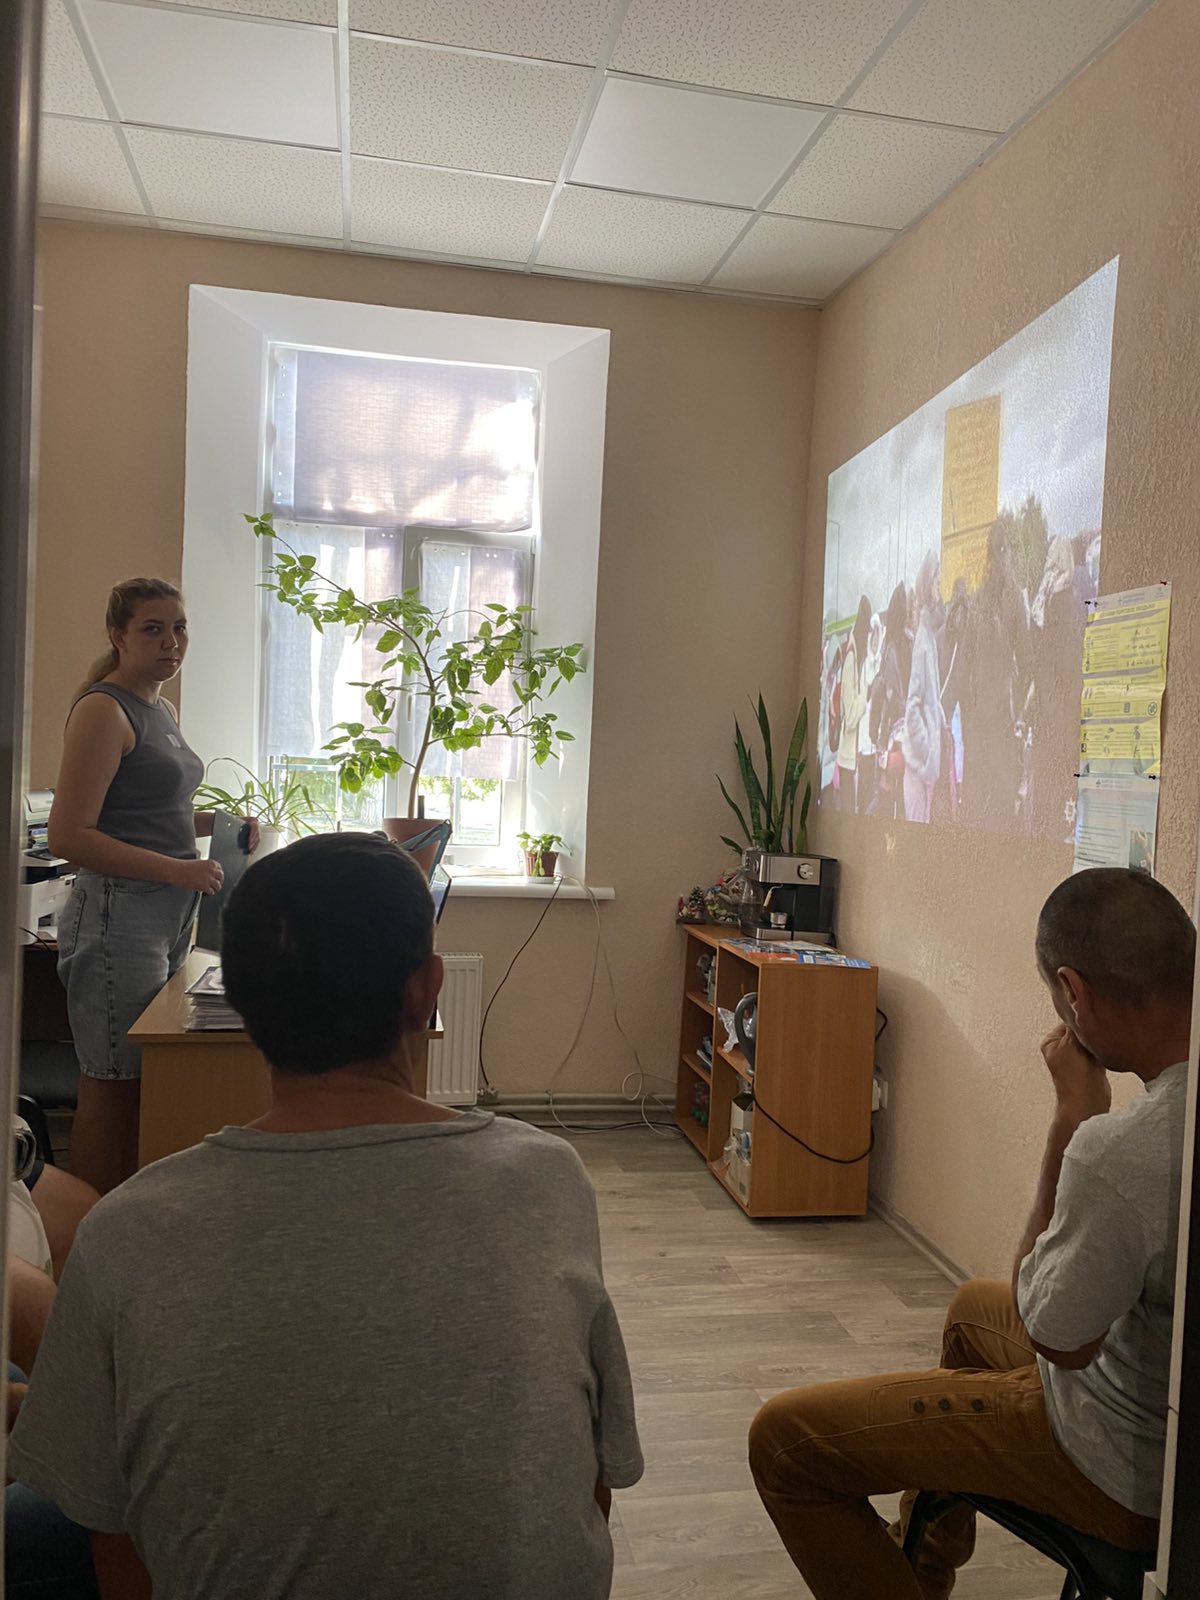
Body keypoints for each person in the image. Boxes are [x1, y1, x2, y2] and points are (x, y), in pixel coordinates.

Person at [10, 833, 643, 1600]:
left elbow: (114, 1538)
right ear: (428, 991)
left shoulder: (125, 1230)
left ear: (240, 1002)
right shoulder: (549, 1180)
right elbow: (595, 1481)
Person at [748, 867, 1191, 1598]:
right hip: (1164, 1411)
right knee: (970, 1311)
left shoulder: (1127, 1149)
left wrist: (1071, 1117)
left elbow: (1055, 1338)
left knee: (784, 1444)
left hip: (1122, 1463)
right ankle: (918, 1573)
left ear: (1074, 994)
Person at [48, 578, 257, 1193]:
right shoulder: (102, 709)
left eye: (179, 628)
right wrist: (177, 869)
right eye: (153, 629)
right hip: (119, 912)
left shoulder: (161, 709)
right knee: (112, 1080)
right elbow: (69, 836)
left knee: (149, 1074)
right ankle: (88, 1226)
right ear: (118, 635)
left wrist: (217, 825)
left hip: (168, 912)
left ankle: (127, 1214)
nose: (171, 642)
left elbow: (149, 810)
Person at [900, 552, 944, 823]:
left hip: (924, 768)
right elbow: (913, 705)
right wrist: (926, 754)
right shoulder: (922, 641)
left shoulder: (928, 635)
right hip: (919, 769)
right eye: (938, 581)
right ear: (929, 586)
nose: (941, 588)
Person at [868, 583, 912, 820]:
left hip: (890, 732)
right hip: (906, 730)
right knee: (900, 797)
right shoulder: (908, 642)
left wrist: (876, 733)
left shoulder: (890, 646)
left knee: (885, 791)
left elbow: (883, 693)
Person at [835, 595, 872, 811]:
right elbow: (849, 718)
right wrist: (864, 696)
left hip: (852, 759)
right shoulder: (850, 660)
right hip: (847, 761)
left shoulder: (856, 658)